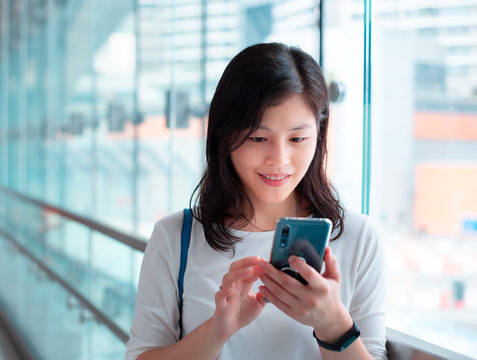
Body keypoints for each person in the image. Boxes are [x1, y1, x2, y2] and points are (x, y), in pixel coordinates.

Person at [125, 42, 386, 360]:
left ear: (319, 136)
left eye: (297, 139)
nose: (279, 159)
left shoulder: (358, 237)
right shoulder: (175, 237)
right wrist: (216, 331)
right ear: (224, 138)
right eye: (258, 138)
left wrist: (334, 326)